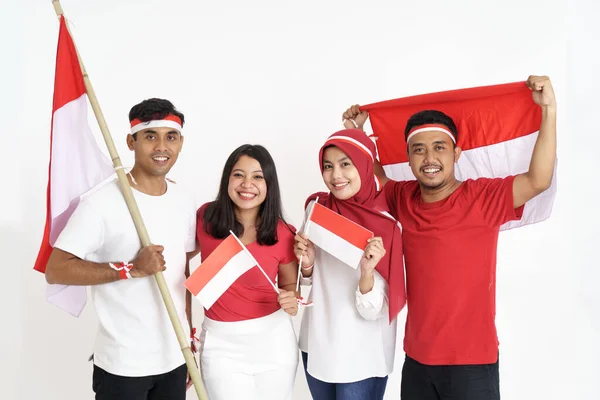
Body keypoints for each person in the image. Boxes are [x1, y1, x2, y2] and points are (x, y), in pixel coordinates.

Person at [341, 75, 557, 399]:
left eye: (439, 147)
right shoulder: (403, 197)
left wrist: (549, 111)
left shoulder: (484, 197)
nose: (429, 158)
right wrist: (355, 134)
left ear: (456, 154)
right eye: (419, 150)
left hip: (473, 365)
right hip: (416, 360)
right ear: (409, 157)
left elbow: (538, 179)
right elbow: (374, 176)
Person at [45, 98, 197, 400]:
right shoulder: (102, 202)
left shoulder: (183, 199)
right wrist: (131, 269)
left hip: (175, 354)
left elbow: (183, 274)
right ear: (131, 141)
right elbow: (56, 269)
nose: (161, 147)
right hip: (122, 364)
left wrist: (189, 339)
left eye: (171, 137)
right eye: (150, 136)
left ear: (181, 142)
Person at [294, 128, 405, 400]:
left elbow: (373, 312)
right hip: (315, 344)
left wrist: (367, 273)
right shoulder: (316, 209)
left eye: (346, 164)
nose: (336, 176)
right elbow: (303, 290)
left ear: (365, 166)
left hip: (362, 355)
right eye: (328, 166)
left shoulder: (386, 223)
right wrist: (307, 265)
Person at [194, 144, 299, 400]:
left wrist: (291, 301)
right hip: (221, 345)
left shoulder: (283, 232)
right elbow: (177, 260)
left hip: (274, 342)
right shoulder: (205, 217)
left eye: (258, 176)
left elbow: (289, 287)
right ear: (227, 179)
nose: (247, 184)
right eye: (239, 174)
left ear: (269, 184)